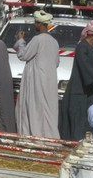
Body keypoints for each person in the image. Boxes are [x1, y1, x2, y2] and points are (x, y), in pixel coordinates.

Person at [15, 10, 60, 140]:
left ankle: (35, 137)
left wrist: (20, 40)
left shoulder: (37, 40)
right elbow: (56, 62)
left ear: (40, 24)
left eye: (36, 23)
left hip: (37, 80)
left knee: (36, 108)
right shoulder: (54, 42)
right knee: (47, 109)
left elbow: (23, 55)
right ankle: (48, 137)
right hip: (49, 81)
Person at [58, 21, 93, 141]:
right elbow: (85, 68)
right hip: (79, 91)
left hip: (89, 91)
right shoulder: (82, 47)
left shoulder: (91, 47)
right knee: (77, 120)